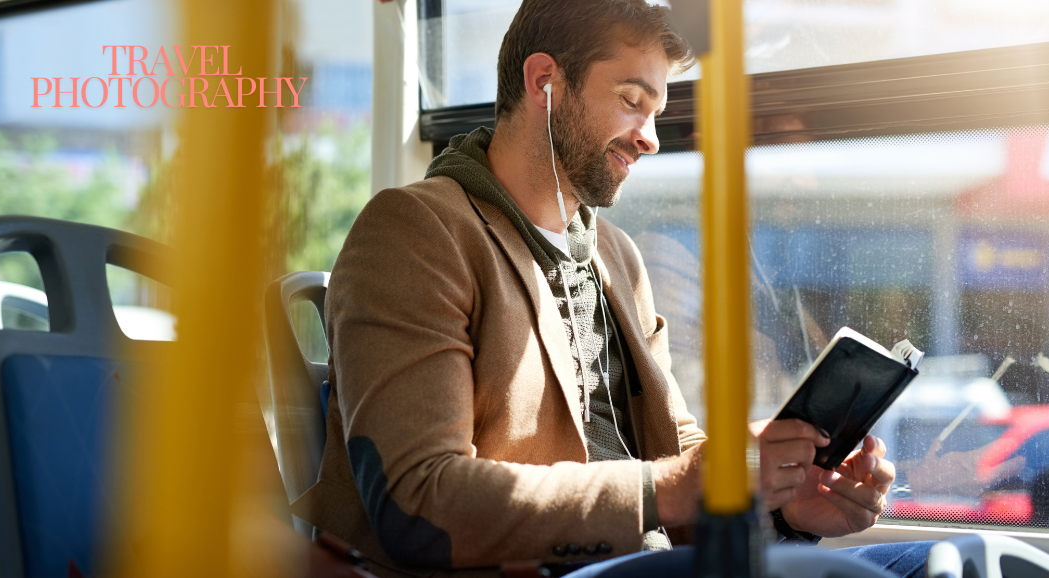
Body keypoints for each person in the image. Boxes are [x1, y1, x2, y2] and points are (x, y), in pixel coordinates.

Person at [300, 1, 929, 577]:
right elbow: (419, 501)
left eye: (656, 113)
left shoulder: (615, 258)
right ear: (544, 82)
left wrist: (787, 510)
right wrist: (680, 485)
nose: (651, 137)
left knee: (952, 559)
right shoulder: (417, 232)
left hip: (651, 564)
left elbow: (673, 452)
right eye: (632, 100)